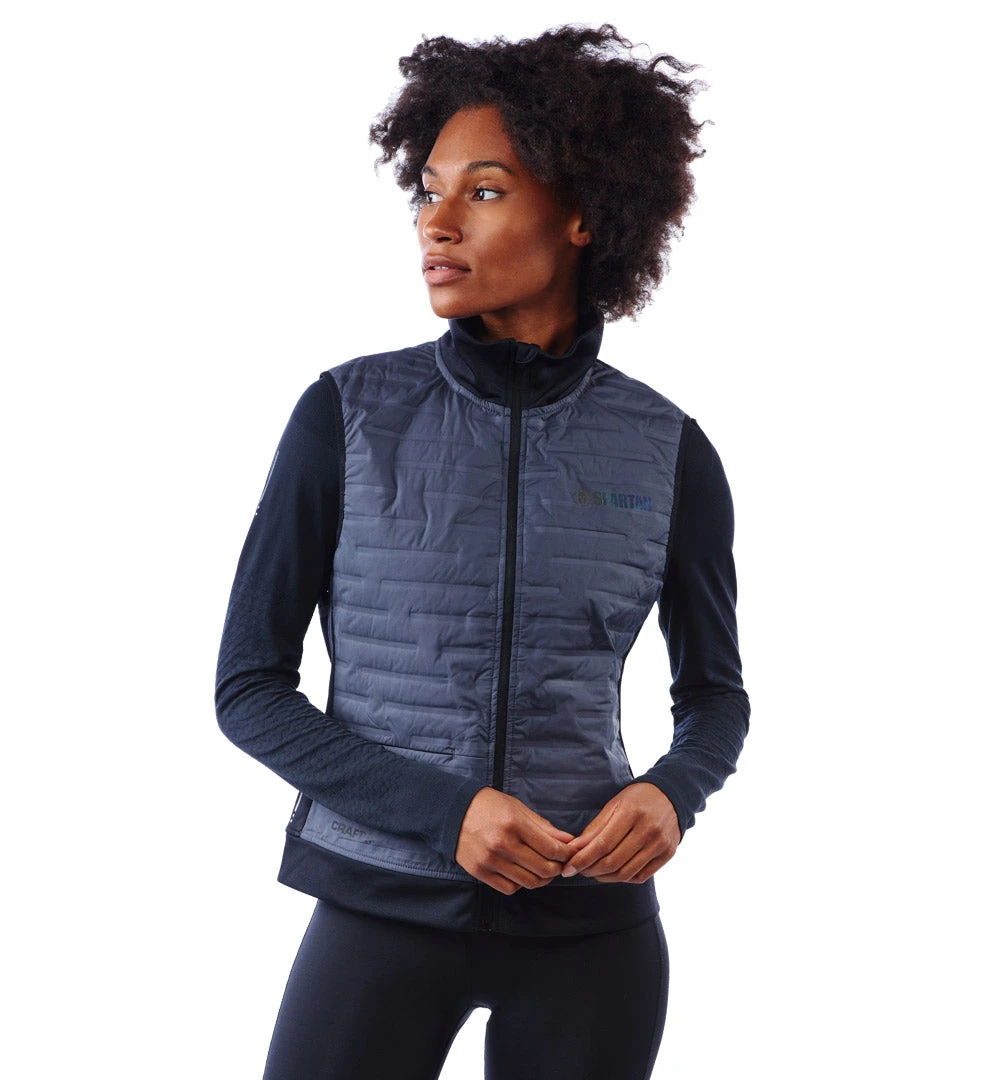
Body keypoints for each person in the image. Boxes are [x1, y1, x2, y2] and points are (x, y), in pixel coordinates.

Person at [215, 24, 750, 1080]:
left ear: (585, 214)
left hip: (593, 934)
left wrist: (670, 792)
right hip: (379, 916)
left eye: (486, 191)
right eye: (428, 191)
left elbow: (716, 697)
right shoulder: (347, 416)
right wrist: (444, 811)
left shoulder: (668, 448)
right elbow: (248, 689)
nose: (438, 221)